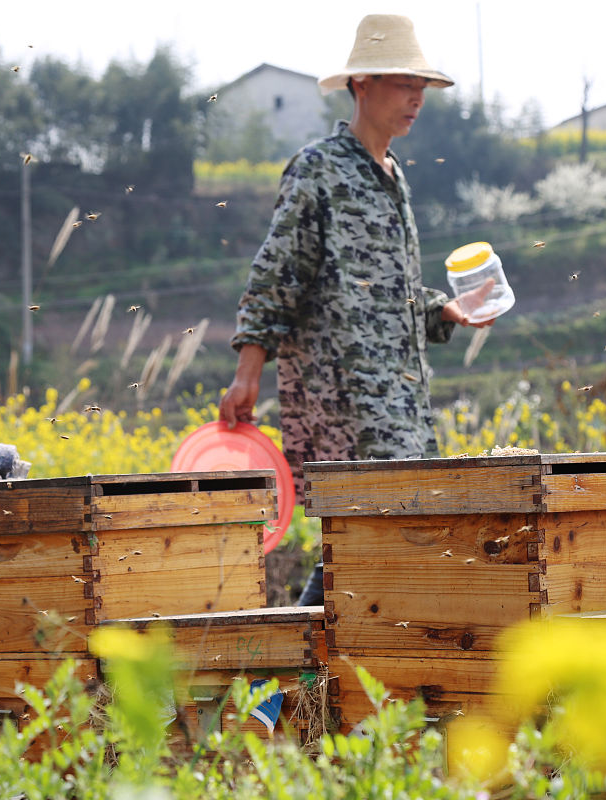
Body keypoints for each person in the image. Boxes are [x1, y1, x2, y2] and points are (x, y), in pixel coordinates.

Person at [217, 14, 494, 605]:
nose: (416, 97)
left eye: (421, 87)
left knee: (383, 543)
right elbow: (275, 277)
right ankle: (291, 680)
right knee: (375, 534)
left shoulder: (394, 178)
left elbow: (388, 300)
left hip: (402, 402)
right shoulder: (318, 170)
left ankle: (317, 682)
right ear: (361, 85)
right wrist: (247, 375)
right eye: (402, 83)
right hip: (339, 401)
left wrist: (446, 313)